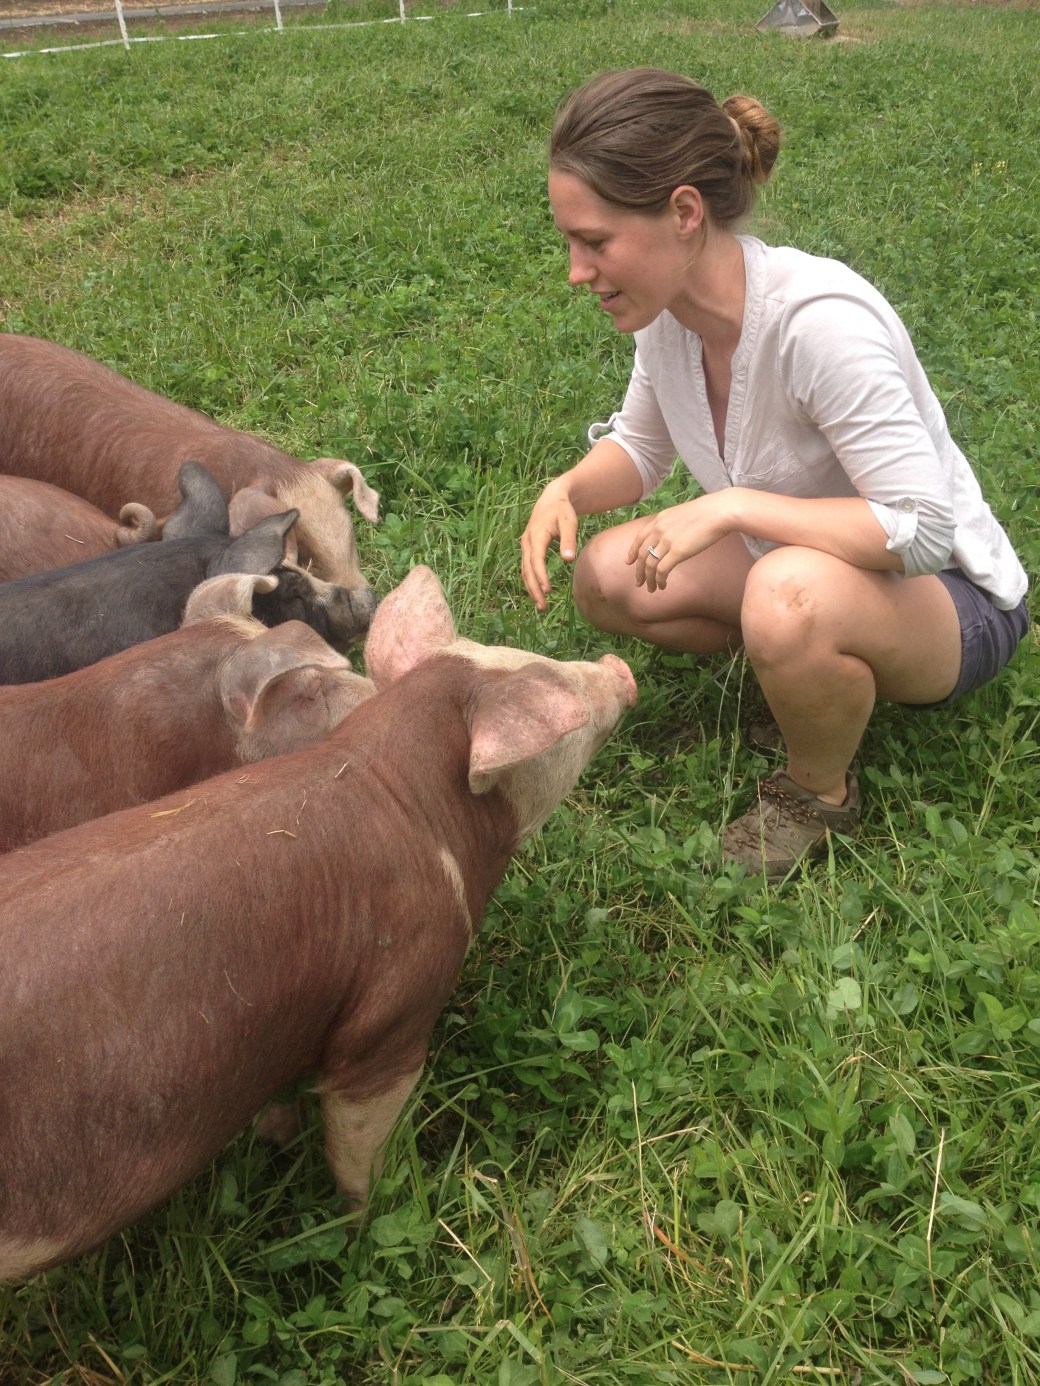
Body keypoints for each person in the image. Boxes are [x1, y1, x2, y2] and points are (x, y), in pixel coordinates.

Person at [520, 67, 1029, 881]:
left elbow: (922, 528)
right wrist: (572, 488)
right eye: (571, 242)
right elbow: (644, 449)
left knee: (787, 595)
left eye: (595, 241)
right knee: (610, 576)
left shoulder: (819, 325)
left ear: (685, 213)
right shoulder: (669, 318)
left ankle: (817, 790)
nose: (577, 272)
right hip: (798, 567)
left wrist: (732, 507)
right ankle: (800, 678)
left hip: (953, 602)